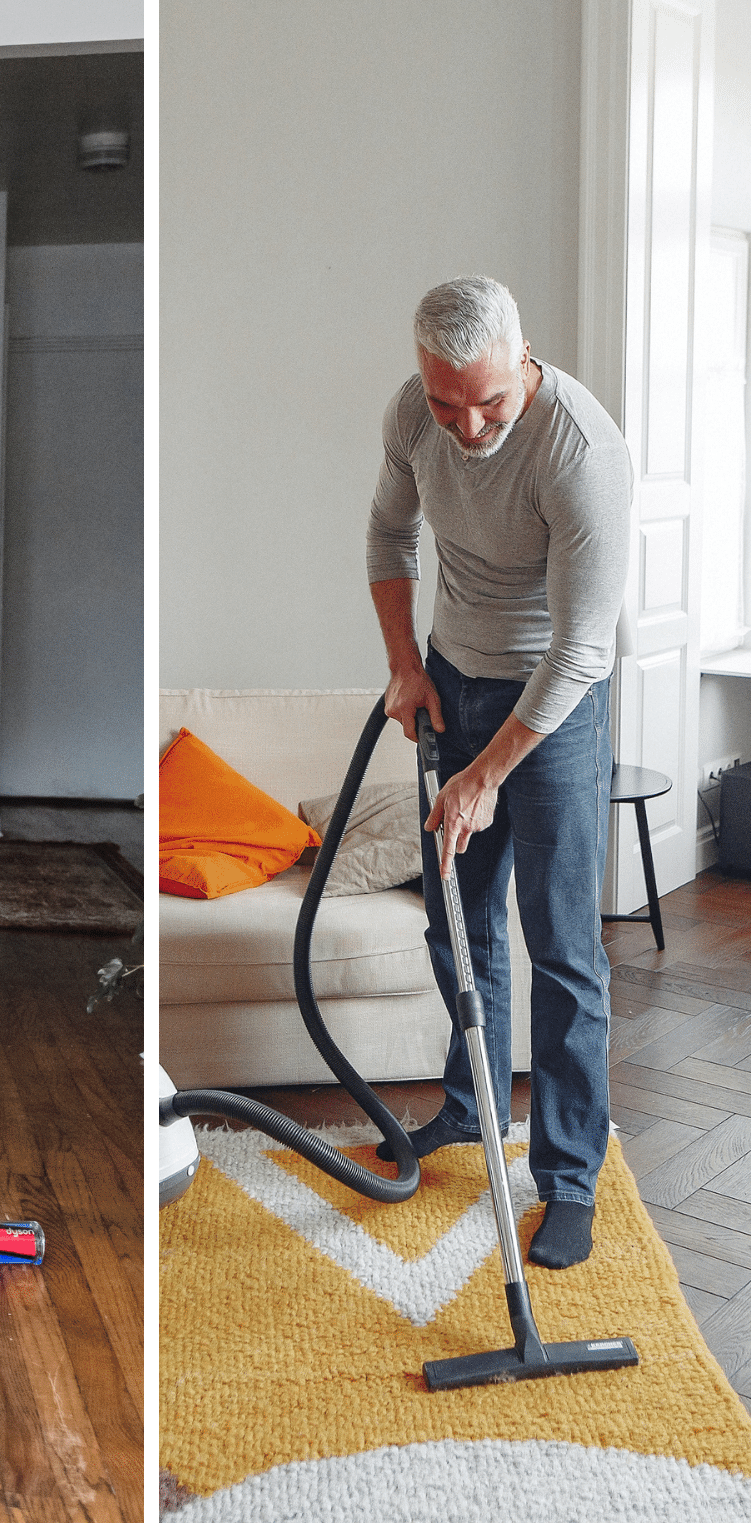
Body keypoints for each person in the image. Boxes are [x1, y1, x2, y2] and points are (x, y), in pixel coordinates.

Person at [366, 275, 632, 1269]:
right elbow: (389, 536)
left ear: (523, 361)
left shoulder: (580, 450)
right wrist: (404, 664)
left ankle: (567, 1178)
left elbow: (580, 651)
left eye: (488, 402)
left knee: (561, 946)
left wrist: (483, 773)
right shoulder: (414, 412)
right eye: (446, 402)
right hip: (452, 675)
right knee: (457, 916)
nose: (467, 425)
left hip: (554, 710)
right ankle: (472, 1110)